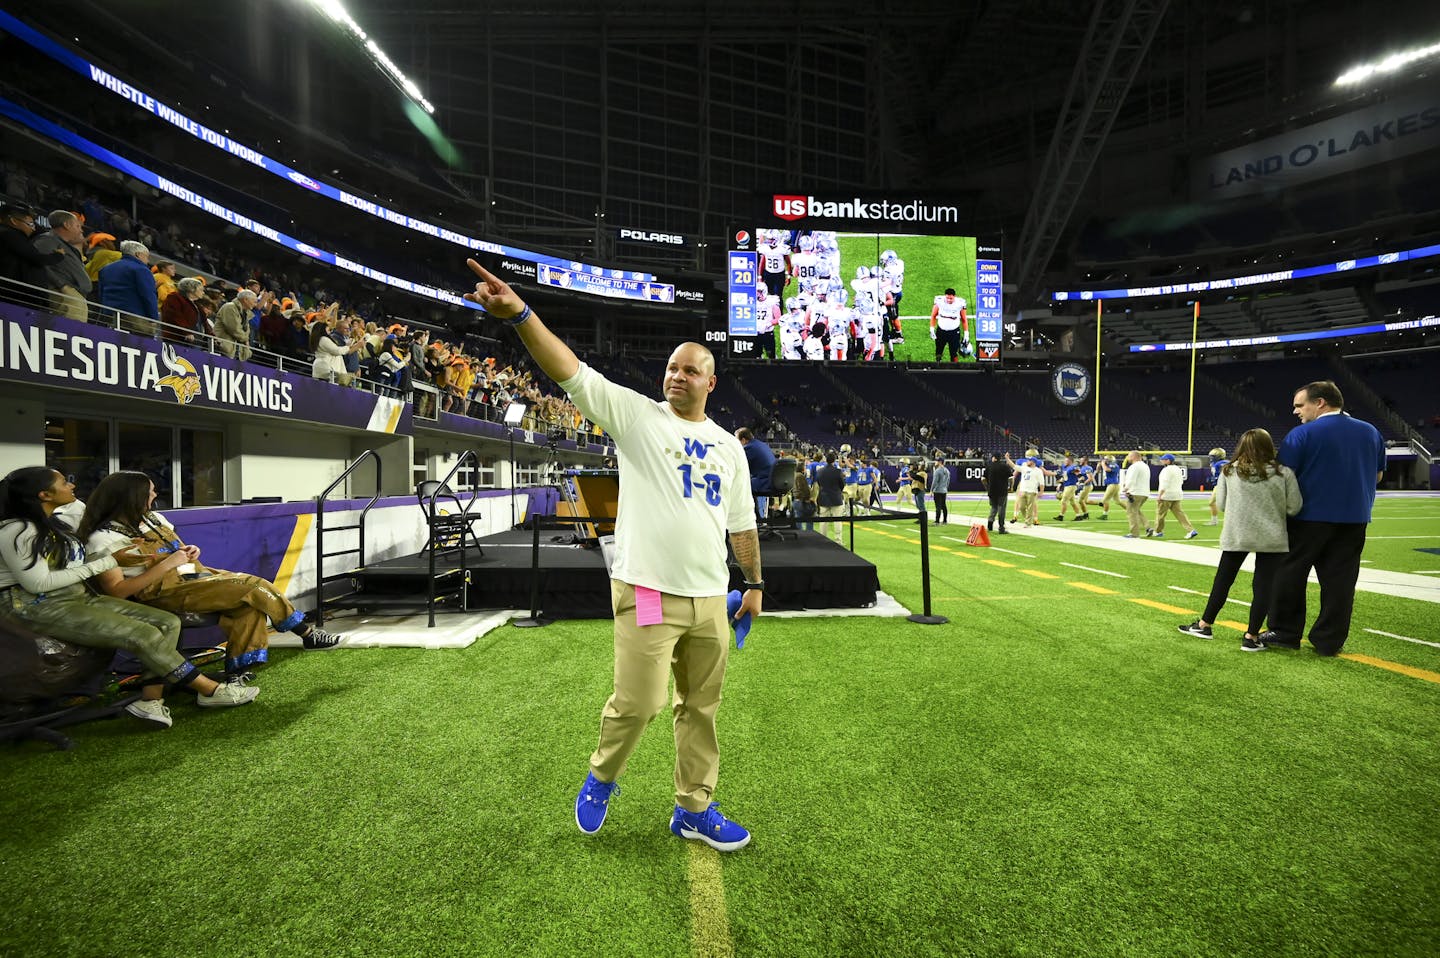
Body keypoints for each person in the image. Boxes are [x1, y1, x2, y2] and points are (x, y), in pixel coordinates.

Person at [462, 259, 758, 852]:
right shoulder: (636, 415)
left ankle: (694, 809)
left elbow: (741, 524)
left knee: (701, 709)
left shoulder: (729, 447)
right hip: (648, 591)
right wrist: (520, 315)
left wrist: (753, 584)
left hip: (707, 601)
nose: (677, 375)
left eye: (691, 370)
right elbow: (569, 370)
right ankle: (601, 777)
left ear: (711, 382)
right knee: (642, 701)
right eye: (672, 367)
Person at [0, 467, 257, 728]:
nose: (72, 486)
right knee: (144, 635)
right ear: (44, 494)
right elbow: (37, 584)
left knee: (168, 623)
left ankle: (150, 701)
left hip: (76, 596)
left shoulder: (56, 520)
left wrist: (129, 558)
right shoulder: (17, 530)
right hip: (33, 604)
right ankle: (209, 689)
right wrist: (109, 562)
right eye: (64, 482)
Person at [76, 470, 342, 678]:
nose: (154, 496)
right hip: (160, 593)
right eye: (150, 492)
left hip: (193, 577)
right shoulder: (103, 539)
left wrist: (190, 551)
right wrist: (168, 565)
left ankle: (236, 673)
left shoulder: (153, 520)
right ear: (131, 497)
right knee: (253, 586)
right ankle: (307, 633)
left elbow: (177, 551)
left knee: (247, 608)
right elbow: (118, 591)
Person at [1259, 381, 1386, 655]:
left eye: (1299, 405)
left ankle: (1284, 632)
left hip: (1308, 518)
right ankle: (1329, 641)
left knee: (1289, 573)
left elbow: (1283, 478)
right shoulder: (1371, 432)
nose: (1296, 411)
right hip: (1355, 519)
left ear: (1320, 403)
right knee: (1341, 582)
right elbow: (1377, 476)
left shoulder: (1302, 434)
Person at [1177, 429, 1301, 650]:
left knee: (1223, 580)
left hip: (1237, 534)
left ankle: (1204, 624)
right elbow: (1294, 507)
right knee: (1263, 587)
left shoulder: (1228, 472)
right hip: (1272, 537)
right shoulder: (1284, 473)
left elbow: (1222, 505)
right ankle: (1251, 637)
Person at [32, 209, 92, 323]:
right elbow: (41, 264)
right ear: (67, 225)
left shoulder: (65, 245)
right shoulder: (47, 240)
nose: (81, 230)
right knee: (69, 333)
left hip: (75, 295)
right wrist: (63, 286)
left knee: (76, 334)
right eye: (78, 226)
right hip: (64, 295)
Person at [96, 241, 161, 336]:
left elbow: (101, 293)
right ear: (138, 254)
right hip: (135, 319)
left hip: (109, 315)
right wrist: (153, 318)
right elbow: (148, 295)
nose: (147, 261)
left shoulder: (105, 269)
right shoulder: (141, 269)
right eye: (146, 257)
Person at [0, 202, 66, 292]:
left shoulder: (12, 234)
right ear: (13, 221)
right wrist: (58, 255)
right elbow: (37, 259)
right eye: (30, 224)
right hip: (12, 294)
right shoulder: (8, 234)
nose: (33, 228)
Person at [1151, 453, 1199, 539]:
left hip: (1167, 495)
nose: (1161, 461)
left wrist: (1160, 496)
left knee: (1160, 514)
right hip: (1177, 494)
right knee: (1180, 514)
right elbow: (1181, 482)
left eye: (1163, 459)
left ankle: (1158, 531)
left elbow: (1164, 484)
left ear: (1168, 461)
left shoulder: (1166, 470)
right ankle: (1190, 530)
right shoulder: (1177, 469)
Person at [735, 427, 775, 519]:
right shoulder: (761, 444)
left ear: (743, 440)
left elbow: (736, 467)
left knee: (738, 485)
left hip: (765, 482)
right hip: (771, 480)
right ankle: (756, 517)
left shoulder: (748, 448)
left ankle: (744, 520)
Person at [215, 288, 258, 361]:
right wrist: (246, 340)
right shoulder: (230, 307)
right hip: (224, 350)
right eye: (254, 301)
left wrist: (247, 352)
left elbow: (246, 332)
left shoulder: (246, 313)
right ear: (245, 299)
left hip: (237, 353)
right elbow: (234, 329)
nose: (255, 304)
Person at [814, 450, 847, 543]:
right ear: (834, 460)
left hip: (823, 497)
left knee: (823, 521)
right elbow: (842, 484)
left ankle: (822, 540)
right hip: (836, 498)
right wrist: (837, 491)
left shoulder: (820, 471)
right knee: (837, 520)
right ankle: (838, 540)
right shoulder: (837, 471)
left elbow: (819, 483)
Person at [930, 288, 968, 363]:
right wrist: (932, 328)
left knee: (954, 354)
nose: (949, 300)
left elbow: (964, 319)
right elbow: (933, 315)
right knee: (938, 351)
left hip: (954, 332)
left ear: (954, 297)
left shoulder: (960, 303)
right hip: (941, 331)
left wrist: (966, 334)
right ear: (945, 296)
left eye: (951, 298)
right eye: (947, 298)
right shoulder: (939, 301)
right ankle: (938, 366)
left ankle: (955, 370)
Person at [1121, 451, 1152, 539]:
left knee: (1131, 512)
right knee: (1136, 510)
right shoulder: (1145, 466)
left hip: (1135, 492)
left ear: (1134, 457)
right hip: (1144, 492)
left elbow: (1131, 480)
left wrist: (1126, 489)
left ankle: (1134, 533)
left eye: (1129, 456)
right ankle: (1148, 527)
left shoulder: (1134, 466)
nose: (1127, 458)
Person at [982, 452, 1010, 534]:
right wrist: (1011, 487)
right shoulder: (1004, 466)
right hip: (1002, 491)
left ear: (994, 458)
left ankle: (990, 525)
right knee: (1001, 508)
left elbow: (983, 479)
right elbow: (1011, 478)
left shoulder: (989, 466)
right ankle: (1001, 527)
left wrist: (987, 488)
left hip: (992, 491)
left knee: (994, 507)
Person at [1205, 447, 1228, 525]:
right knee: (1212, 502)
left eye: (1213, 456)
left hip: (1224, 485)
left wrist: (1216, 478)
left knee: (1223, 504)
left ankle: (1216, 521)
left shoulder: (1223, 463)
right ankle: (1214, 520)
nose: (1211, 458)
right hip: (1219, 485)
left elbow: (1226, 474)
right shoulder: (1214, 464)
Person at [930, 457, 951, 524]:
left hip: (938, 490)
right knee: (943, 505)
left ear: (940, 462)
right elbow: (948, 481)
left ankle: (937, 521)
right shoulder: (947, 471)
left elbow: (934, 481)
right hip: (944, 490)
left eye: (936, 461)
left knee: (938, 506)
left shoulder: (938, 471)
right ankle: (945, 520)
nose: (935, 462)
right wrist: (945, 488)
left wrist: (931, 490)